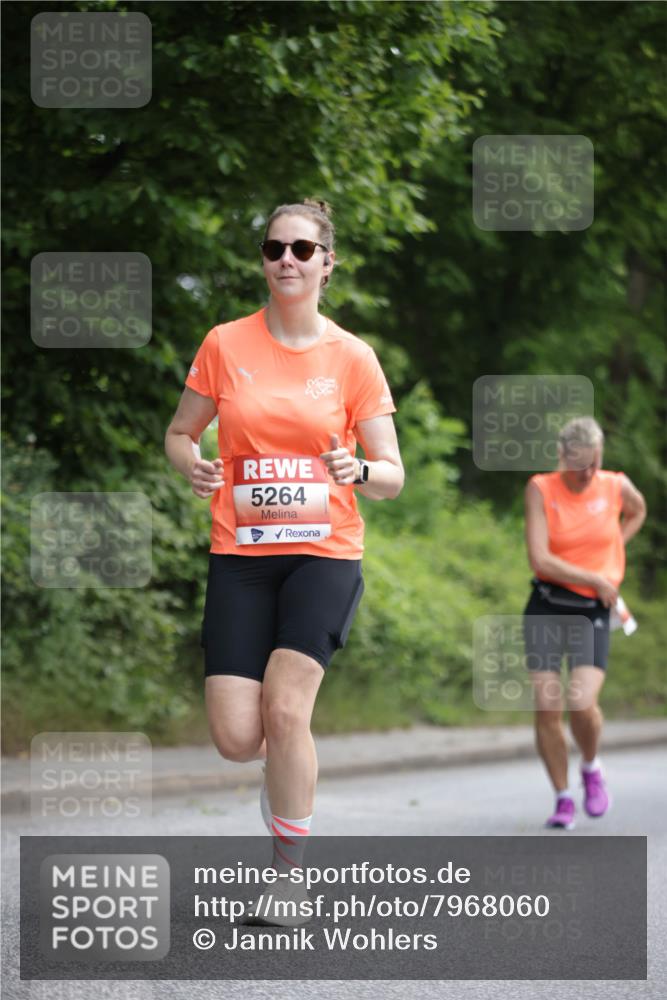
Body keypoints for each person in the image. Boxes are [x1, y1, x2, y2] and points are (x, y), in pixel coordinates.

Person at [164, 198, 404, 914]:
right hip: (240, 554)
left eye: (302, 249)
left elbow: (392, 475)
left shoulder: (352, 357)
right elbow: (180, 434)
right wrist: (193, 466)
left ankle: (288, 874)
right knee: (238, 737)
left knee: (287, 709)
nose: (287, 261)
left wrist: (357, 469)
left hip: (324, 554)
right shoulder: (224, 344)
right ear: (263, 260)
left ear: (327, 263)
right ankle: (284, 777)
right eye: (275, 249)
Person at [523, 416, 646, 830]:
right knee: (547, 706)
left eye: (595, 463)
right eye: (579, 465)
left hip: (592, 610)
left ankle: (591, 766)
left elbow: (638, 511)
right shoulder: (541, 489)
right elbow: (540, 559)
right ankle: (562, 798)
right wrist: (594, 576)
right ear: (562, 456)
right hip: (547, 604)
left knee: (582, 702)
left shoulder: (615, 486)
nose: (588, 473)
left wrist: (614, 549)